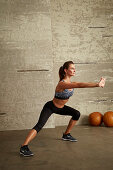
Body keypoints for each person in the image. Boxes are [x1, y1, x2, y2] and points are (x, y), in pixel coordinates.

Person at [20, 61, 106, 156]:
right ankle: (24, 147)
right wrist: (97, 84)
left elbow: (79, 84)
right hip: (51, 107)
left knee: (76, 114)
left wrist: (97, 84)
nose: (74, 70)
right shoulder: (62, 84)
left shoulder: (71, 82)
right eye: (72, 68)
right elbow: (79, 85)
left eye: (74, 68)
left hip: (61, 108)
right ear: (65, 70)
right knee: (39, 126)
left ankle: (66, 134)